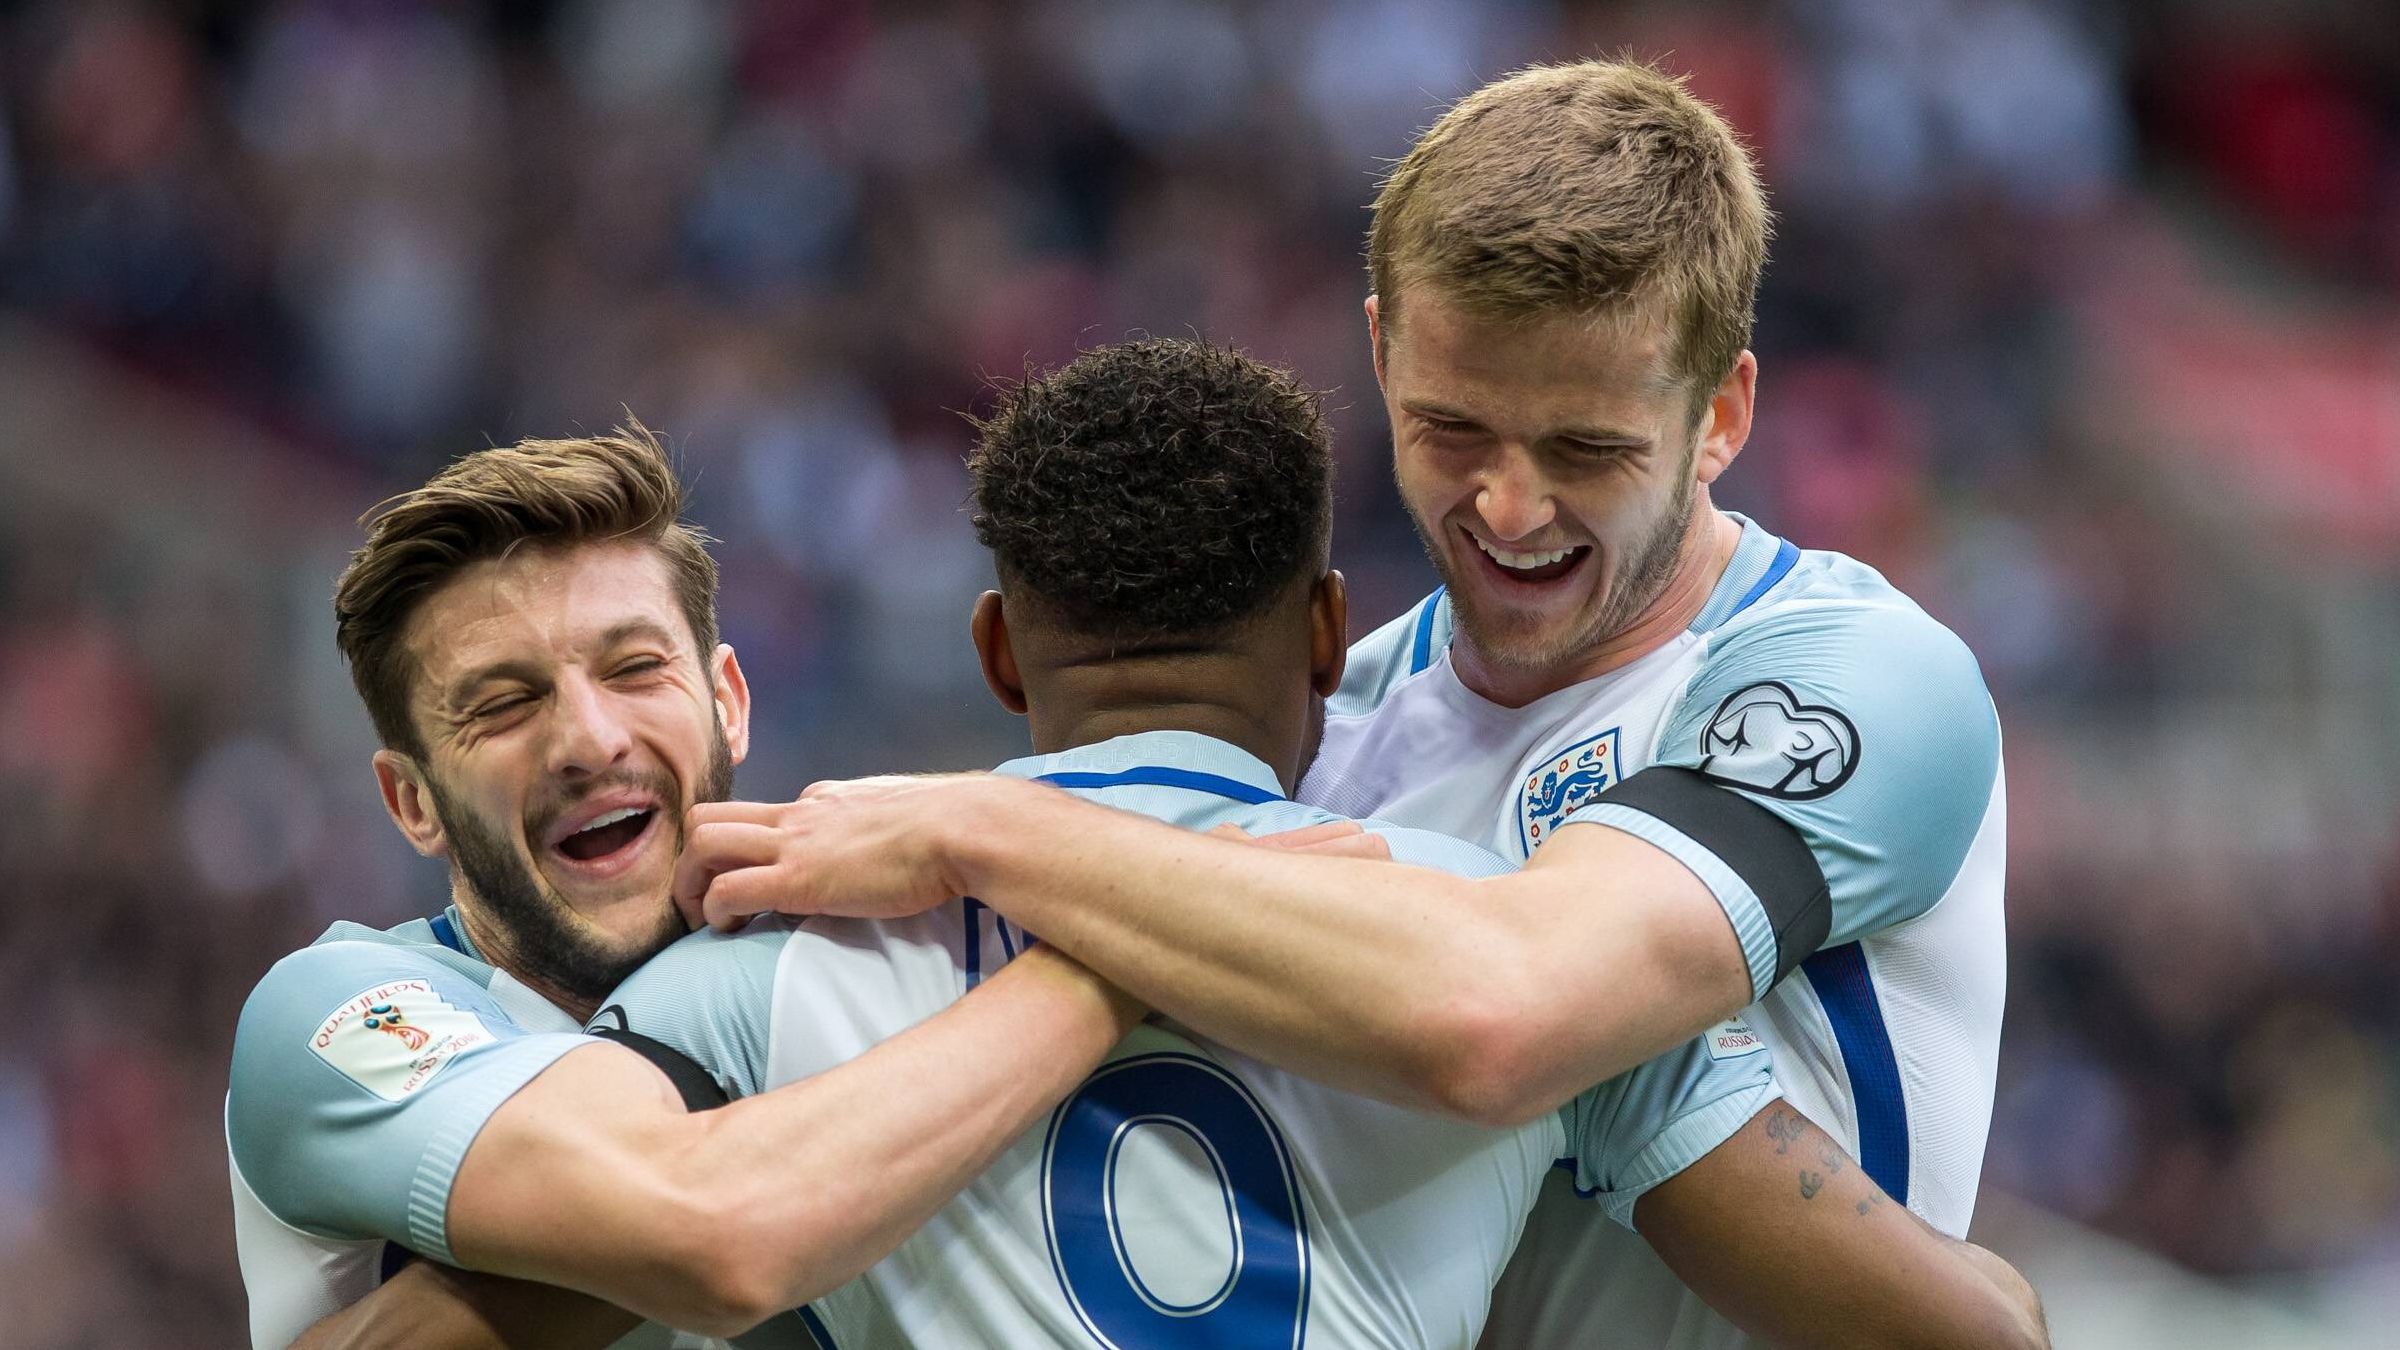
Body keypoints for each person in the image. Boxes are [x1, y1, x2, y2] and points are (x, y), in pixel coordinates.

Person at [679, 62, 2015, 1349]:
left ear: (1720, 414)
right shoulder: (1326, 730)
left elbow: (1508, 1016)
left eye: (1587, 448)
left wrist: (973, 825)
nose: (1510, 508)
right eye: (1453, 429)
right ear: (1381, 350)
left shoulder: (1854, 679)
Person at [225, 429, 1142, 1348]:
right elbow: (709, 1230)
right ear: (413, 802)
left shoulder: (831, 957)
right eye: (502, 705)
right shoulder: (337, 1013)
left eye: (634, 669)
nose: (591, 741)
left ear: (728, 703)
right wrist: (1102, 954)